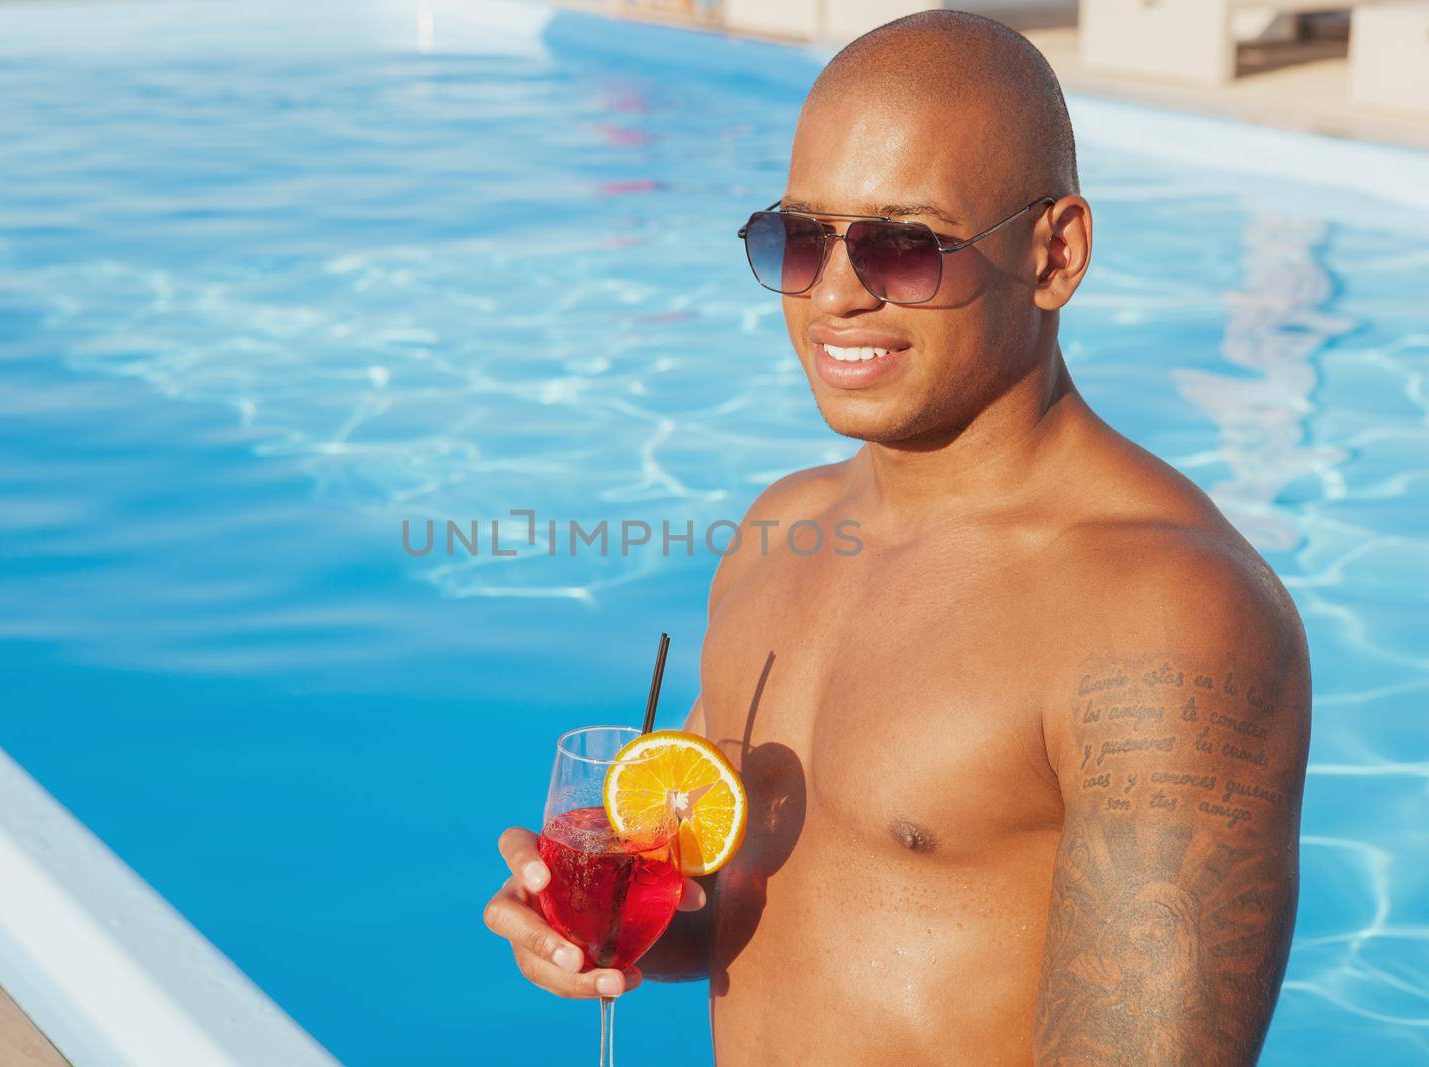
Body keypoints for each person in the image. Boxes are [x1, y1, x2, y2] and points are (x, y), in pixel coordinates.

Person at [483, 10, 1310, 1065]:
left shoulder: (1162, 613)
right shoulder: (780, 528)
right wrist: (588, 920)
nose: (834, 292)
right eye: (796, 236)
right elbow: (731, 906)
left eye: (902, 245)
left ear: (1054, 253)